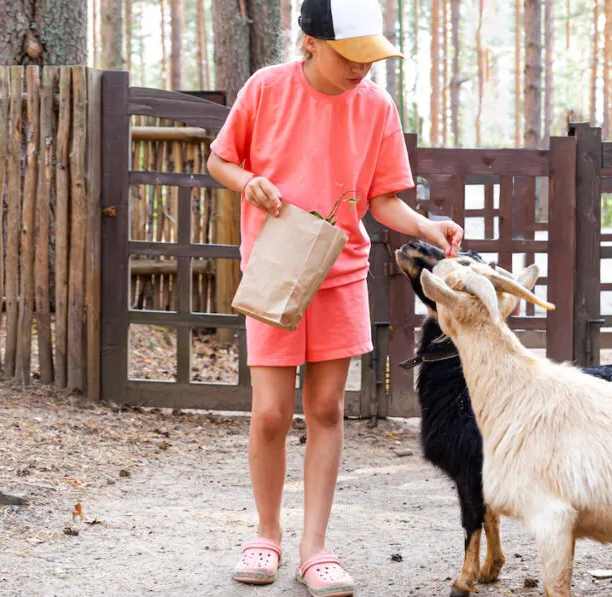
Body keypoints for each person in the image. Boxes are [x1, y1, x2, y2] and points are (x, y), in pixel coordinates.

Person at [207, 0, 463, 593]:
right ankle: (265, 535)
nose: (361, 69)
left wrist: (425, 225)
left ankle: (315, 547)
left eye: (369, 56)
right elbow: (222, 159)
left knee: (325, 410)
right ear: (310, 44)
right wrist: (250, 181)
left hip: (341, 272)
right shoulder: (267, 89)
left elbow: (382, 200)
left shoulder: (376, 106)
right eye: (351, 57)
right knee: (270, 412)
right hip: (275, 270)